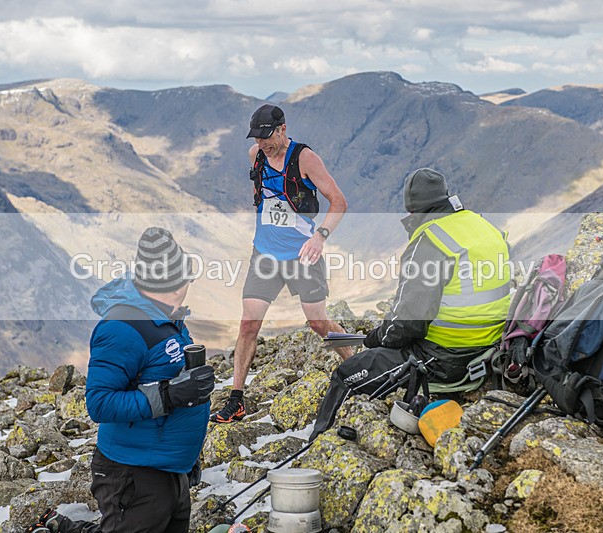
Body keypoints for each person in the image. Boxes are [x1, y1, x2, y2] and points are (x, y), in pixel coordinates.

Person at [26, 227, 215, 533]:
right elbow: (99, 403)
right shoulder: (123, 328)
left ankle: (59, 527)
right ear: (175, 283)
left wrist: (186, 456)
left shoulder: (165, 316)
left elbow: (162, 379)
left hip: (169, 471)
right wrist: (170, 395)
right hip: (134, 474)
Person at [309, 168, 511, 440]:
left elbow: (407, 325)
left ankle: (315, 445)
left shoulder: (431, 241)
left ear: (413, 210)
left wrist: (376, 338)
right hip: (491, 351)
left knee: (347, 374)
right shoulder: (483, 226)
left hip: (446, 358)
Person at [209, 104, 353, 424]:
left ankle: (357, 366)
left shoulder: (305, 159)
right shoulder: (255, 155)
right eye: (258, 138)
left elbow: (339, 200)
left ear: (283, 129)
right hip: (265, 256)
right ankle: (236, 399)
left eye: (268, 137)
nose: (263, 143)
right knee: (249, 323)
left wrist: (320, 237)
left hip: (303, 256)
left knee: (318, 324)